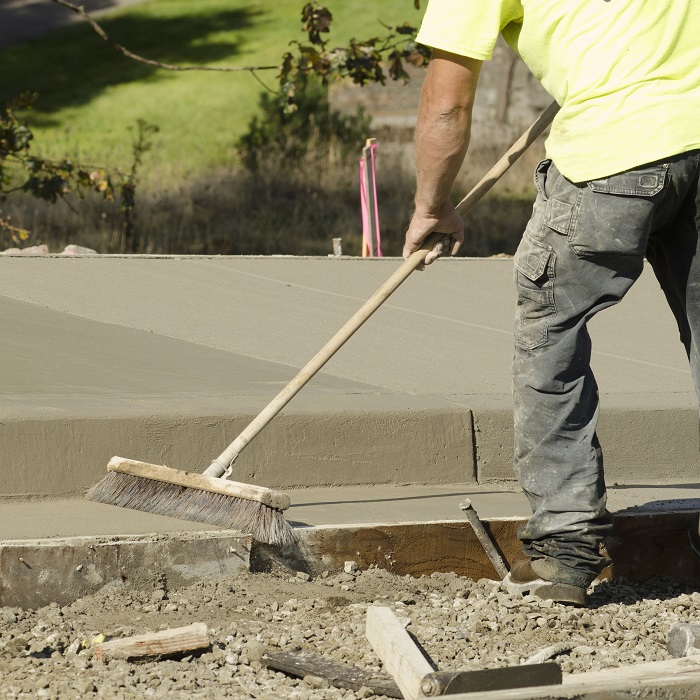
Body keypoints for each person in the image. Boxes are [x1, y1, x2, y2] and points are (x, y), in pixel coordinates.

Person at [403, 1, 700, 606]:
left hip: (610, 157)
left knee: (551, 339)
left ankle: (565, 549)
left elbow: (446, 103)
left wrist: (431, 206)